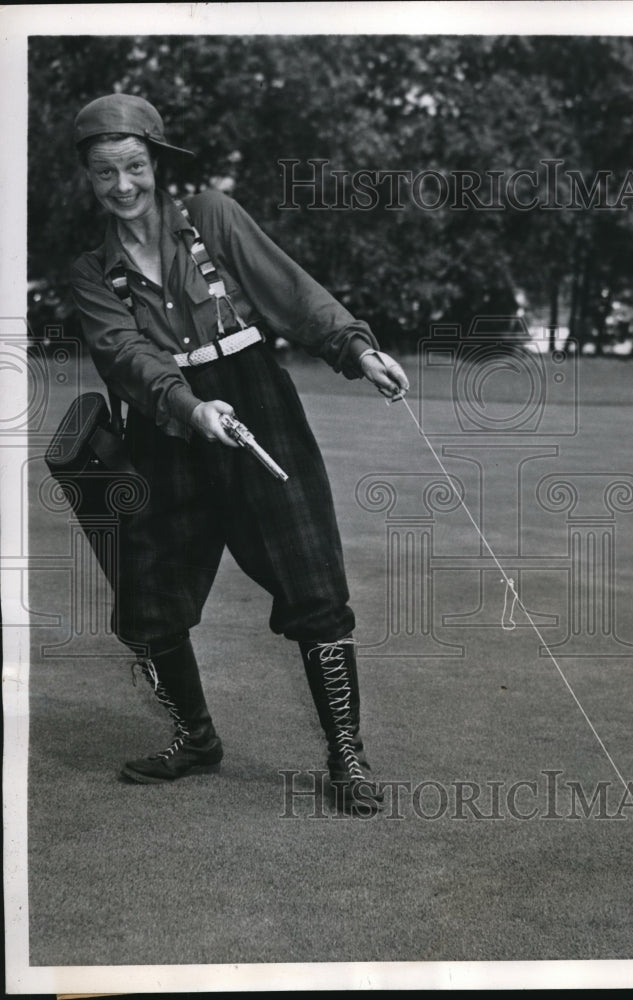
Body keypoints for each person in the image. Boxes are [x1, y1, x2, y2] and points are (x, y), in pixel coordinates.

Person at [69, 93, 409, 811]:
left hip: (255, 400)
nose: (122, 186)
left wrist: (355, 347)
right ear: (89, 179)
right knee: (149, 595)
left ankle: (347, 755)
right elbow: (125, 356)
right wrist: (191, 409)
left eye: (133, 167)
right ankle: (195, 738)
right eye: (105, 174)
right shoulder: (90, 270)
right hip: (164, 428)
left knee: (312, 584)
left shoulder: (211, 215)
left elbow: (289, 288)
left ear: (156, 163)